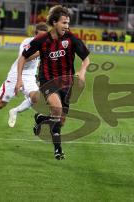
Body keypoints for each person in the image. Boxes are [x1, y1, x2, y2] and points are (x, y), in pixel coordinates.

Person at [15, 5, 90, 160]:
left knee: (60, 121)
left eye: (68, 23)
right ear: (54, 22)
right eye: (64, 23)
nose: (66, 26)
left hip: (67, 83)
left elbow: (86, 59)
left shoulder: (71, 38)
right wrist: (19, 78)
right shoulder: (42, 40)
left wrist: (82, 72)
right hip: (48, 80)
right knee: (56, 109)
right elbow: (23, 57)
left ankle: (41, 119)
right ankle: (58, 150)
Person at [0, 22, 48, 134]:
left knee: (36, 98)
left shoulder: (47, 44)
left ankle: (15, 111)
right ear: (35, 34)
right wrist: (39, 53)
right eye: (40, 36)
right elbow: (24, 58)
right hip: (16, 73)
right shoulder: (27, 42)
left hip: (30, 76)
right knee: (2, 103)